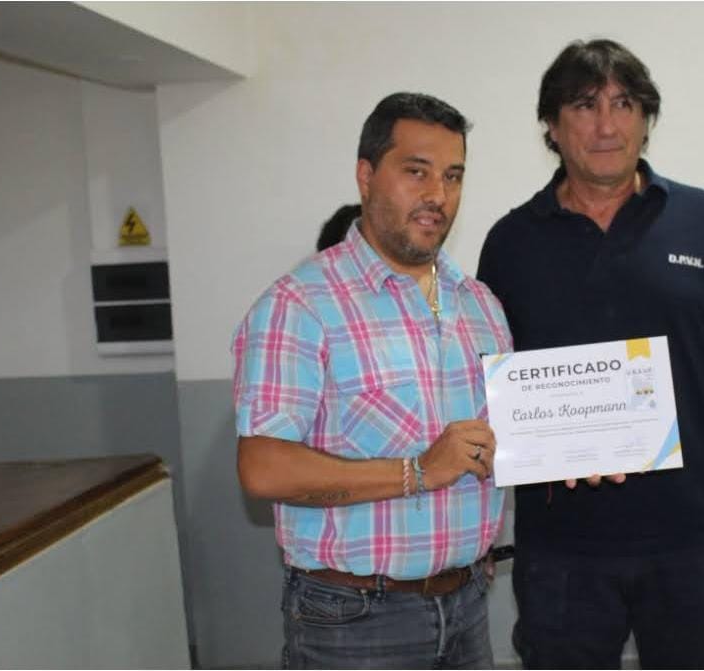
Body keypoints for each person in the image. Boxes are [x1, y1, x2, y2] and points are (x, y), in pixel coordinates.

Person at [476, 39, 704, 669]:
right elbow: (488, 389)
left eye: (624, 104)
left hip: (693, 536)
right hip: (561, 549)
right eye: (584, 106)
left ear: (646, 121)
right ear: (551, 126)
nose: (606, 125)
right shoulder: (510, 243)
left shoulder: (703, 219)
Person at [232, 92, 513, 669]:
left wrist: (579, 448)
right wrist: (419, 471)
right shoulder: (300, 304)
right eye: (416, 171)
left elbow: (499, 445)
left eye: (453, 175)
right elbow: (263, 468)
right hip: (354, 620)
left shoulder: (480, 304)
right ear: (366, 175)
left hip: (467, 605)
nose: (438, 195)